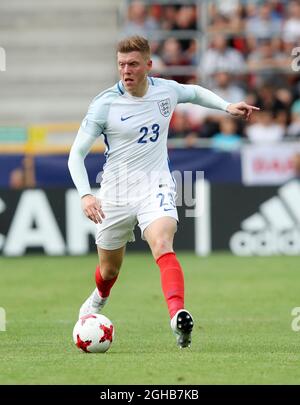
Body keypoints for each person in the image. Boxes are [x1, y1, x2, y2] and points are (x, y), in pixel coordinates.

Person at [68, 35, 259, 349]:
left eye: (133, 64)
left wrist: (227, 107)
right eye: (121, 65)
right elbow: (76, 154)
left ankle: (177, 317)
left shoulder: (165, 90)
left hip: (155, 185)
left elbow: (194, 92)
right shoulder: (104, 104)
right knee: (109, 269)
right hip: (115, 192)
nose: (126, 71)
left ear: (148, 65)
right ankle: (99, 298)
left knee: (161, 242)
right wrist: (86, 195)